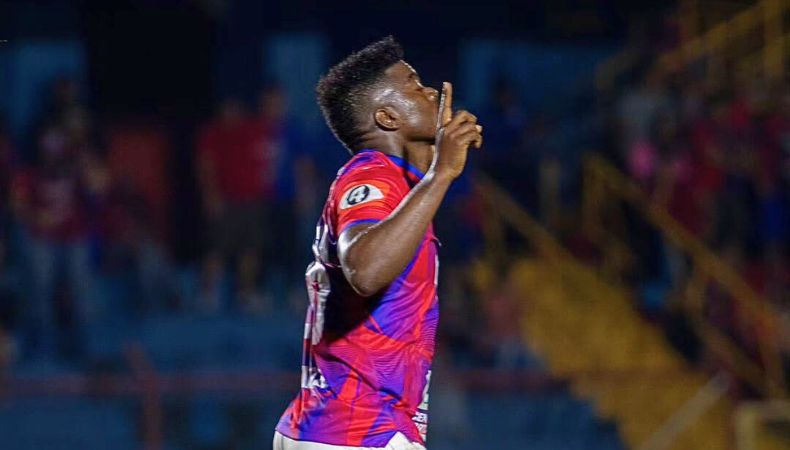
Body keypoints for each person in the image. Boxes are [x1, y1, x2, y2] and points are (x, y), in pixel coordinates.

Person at [273, 36, 482, 450]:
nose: (432, 92)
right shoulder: (373, 176)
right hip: (358, 430)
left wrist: (434, 172)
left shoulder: (403, 188)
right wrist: (441, 173)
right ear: (387, 116)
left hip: (345, 428)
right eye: (414, 85)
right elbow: (364, 269)